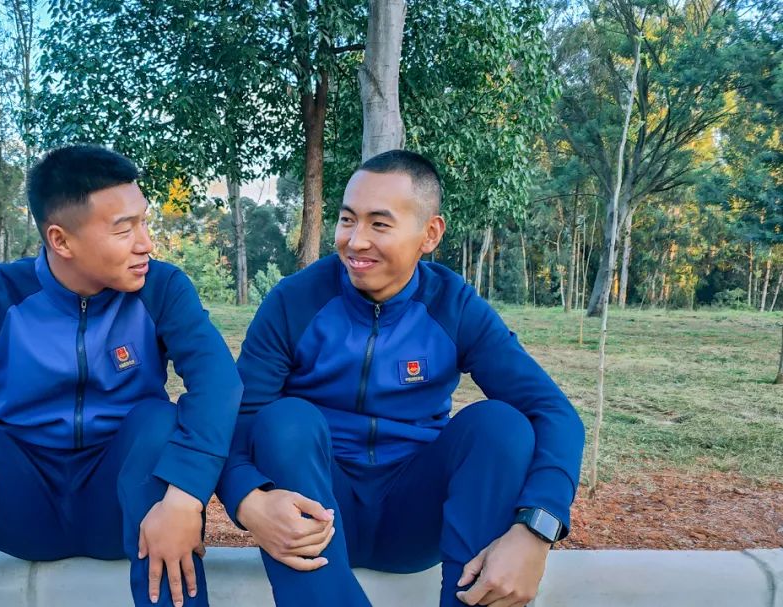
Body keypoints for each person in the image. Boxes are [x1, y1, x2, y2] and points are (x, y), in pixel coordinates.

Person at [0, 145, 242, 607]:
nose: (146, 243)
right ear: (61, 240)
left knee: (156, 421)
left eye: (144, 222)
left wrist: (184, 498)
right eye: (124, 229)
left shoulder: (162, 289)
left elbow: (218, 383)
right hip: (22, 506)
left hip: (123, 505)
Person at [216, 149, 585, 607]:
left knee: (501, 426)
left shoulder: (453, 306)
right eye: (347, 220)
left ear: (430, 234)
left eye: (379, 224)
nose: (356, 241)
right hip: (318, 509)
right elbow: (236, 420)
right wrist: (247, 499)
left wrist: (537, 528)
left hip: (416, 516)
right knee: (283, 421)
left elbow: (553, 412)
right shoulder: (295, 301)